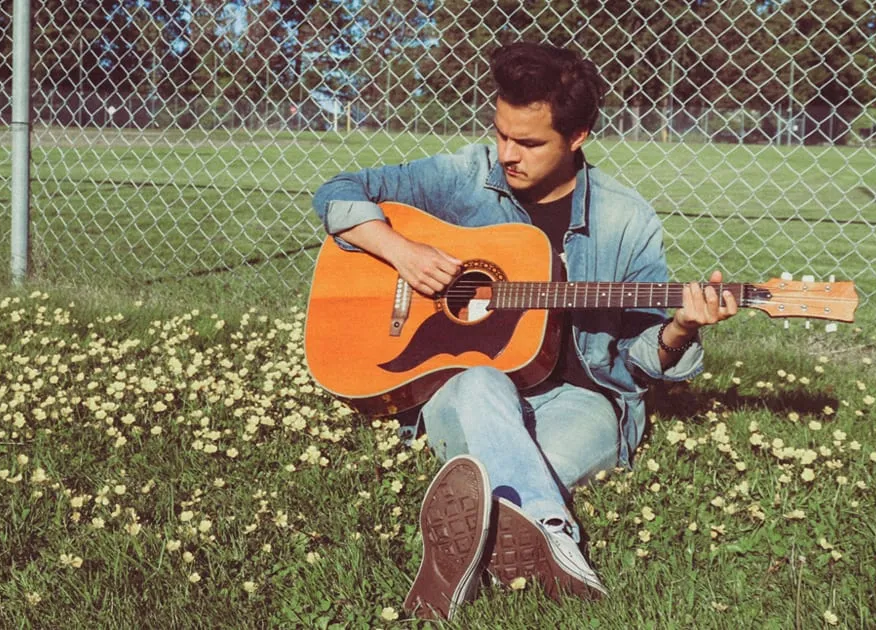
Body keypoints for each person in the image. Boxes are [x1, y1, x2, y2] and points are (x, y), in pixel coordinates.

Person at [310, 42, 738, 620]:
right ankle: (555, 536)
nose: (507, 154)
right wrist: (400, 249)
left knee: (538, 448)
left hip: (577, 400)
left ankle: (476, 536)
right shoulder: (469, 172)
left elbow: (637, 364)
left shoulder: (626, 219)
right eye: (501, 133)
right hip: (468, 388)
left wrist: (682, 328)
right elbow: (337, 191)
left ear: (578, 136)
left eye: (529, 142)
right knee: (484, 380)